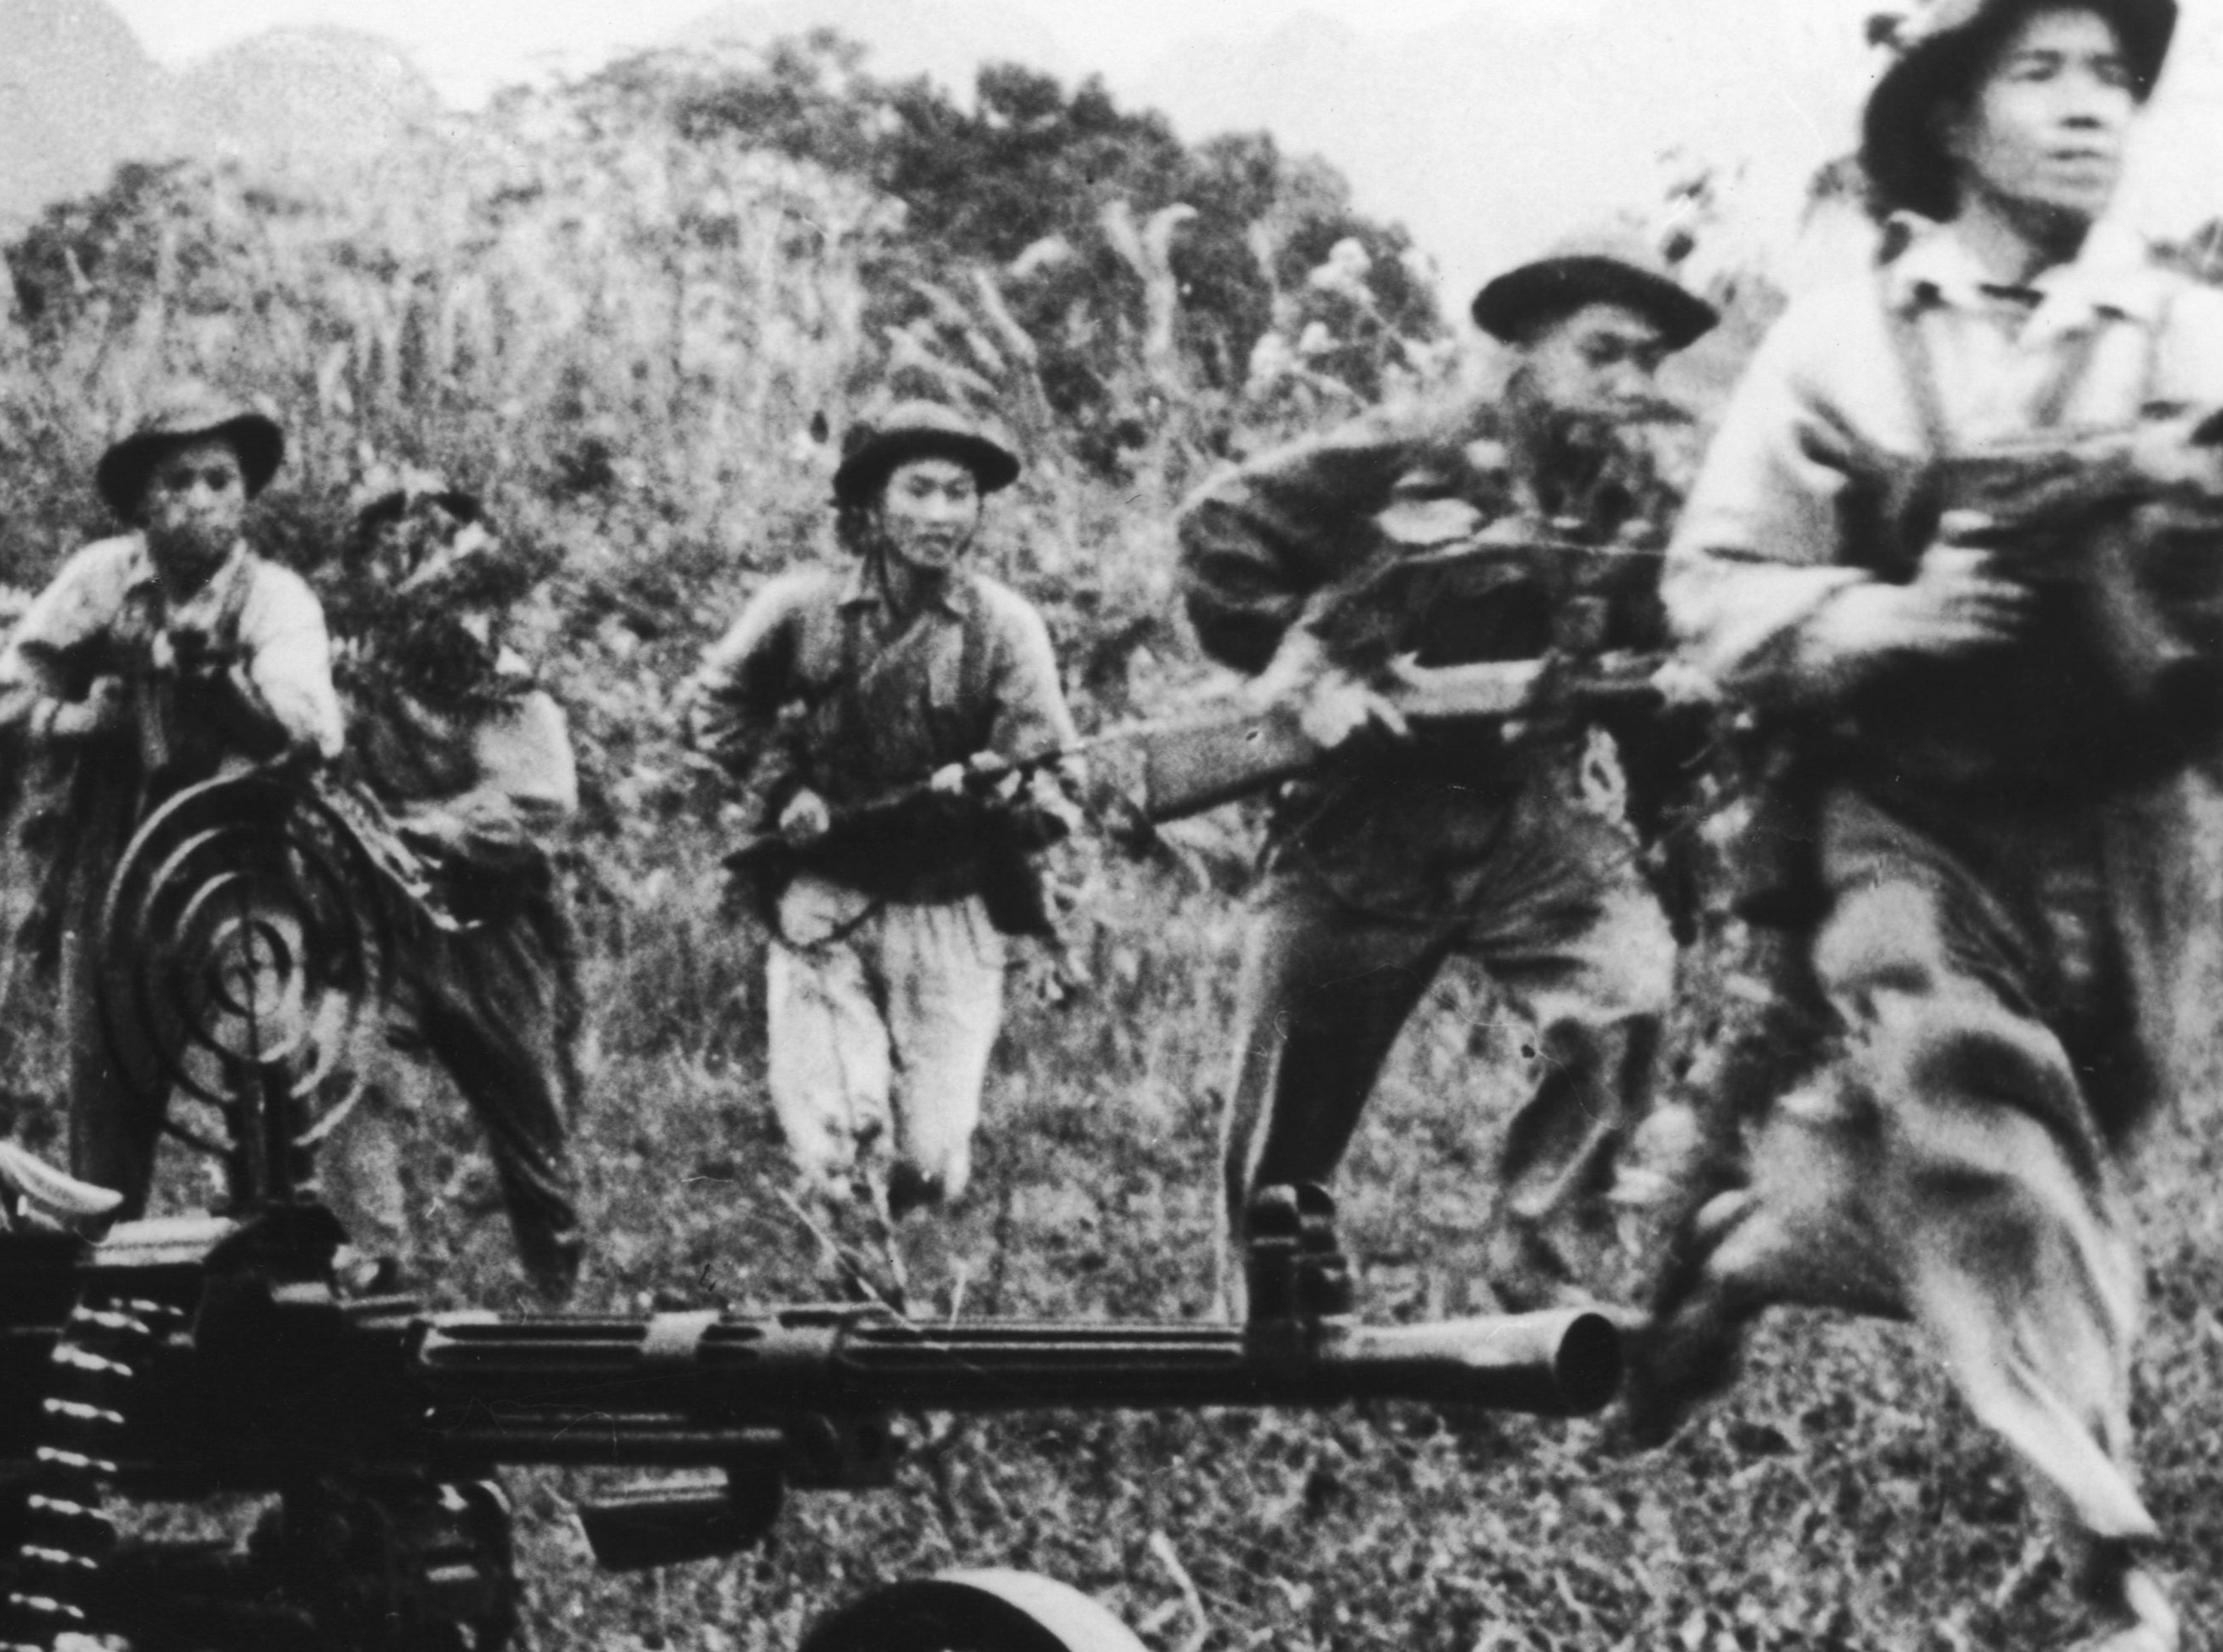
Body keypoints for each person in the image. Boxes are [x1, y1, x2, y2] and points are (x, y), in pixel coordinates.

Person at [1651, 0, 2223, 1652]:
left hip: (2127, 835)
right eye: (2038, 70)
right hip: (1906, 817)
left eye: (2111, 75)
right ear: (1948, 118)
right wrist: (1879, 621)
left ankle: (1759, 1231)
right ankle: (2109, 1571)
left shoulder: (2200, 348)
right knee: (1979, 1110)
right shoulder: (1841, 345)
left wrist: (2186, 546)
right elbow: (1710, 587)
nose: (2085, 104)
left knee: (2054, 1136)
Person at [1173, 228, 1717, 1308]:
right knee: (1292, 1111)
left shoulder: (1630, 504)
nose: (1627, 381)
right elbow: (1219, 523)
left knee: (1629, 998)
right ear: (1524, 347)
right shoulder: (1415, 448)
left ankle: (1541, 1268)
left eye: (1646, 361)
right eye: (1601, 351)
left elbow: (1647, 677)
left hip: (1529, 817)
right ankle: (1272, 1318)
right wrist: (1311, 670)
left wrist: (1673, 827)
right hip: (1369, 816)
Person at [683, 400, 1076, 1223]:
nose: (940, 514)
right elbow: (716, 708)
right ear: (871, 503)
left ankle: (914, 1296)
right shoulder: (802, 609)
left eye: (960, 493)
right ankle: (848, 1292)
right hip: (825, 899)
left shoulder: (1006, 630)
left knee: (930, 1165)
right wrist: (783, 789)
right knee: (840, 1146)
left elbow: (1054, 782)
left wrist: (1005, 796)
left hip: (949, 907)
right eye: (918, 490)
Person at [0, 386, 347, 1212]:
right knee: (106, 1105)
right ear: (141, 498)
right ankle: (109, 1289)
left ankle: (272, 1271)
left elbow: (309, 730)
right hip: (115, 870)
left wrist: (223, 695)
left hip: (239, 868)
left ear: (245, 493)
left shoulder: (275, 598)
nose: (199, 501)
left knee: (267, 1069)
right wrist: (90, 719)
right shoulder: (98, 580)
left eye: (219, 479)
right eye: (176, 481)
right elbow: (3, 702)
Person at [323, 469, 589, 1300]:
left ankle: (561, 1299)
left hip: (492, 930)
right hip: (380, 931)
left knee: (531, 1125)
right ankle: (377, 1270)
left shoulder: (498, 677)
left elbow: (538, 802)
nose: (409, 565)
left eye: (433, 543)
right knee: (347, 1076)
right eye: (388, 545)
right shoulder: (346, 670)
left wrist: (426, 826)